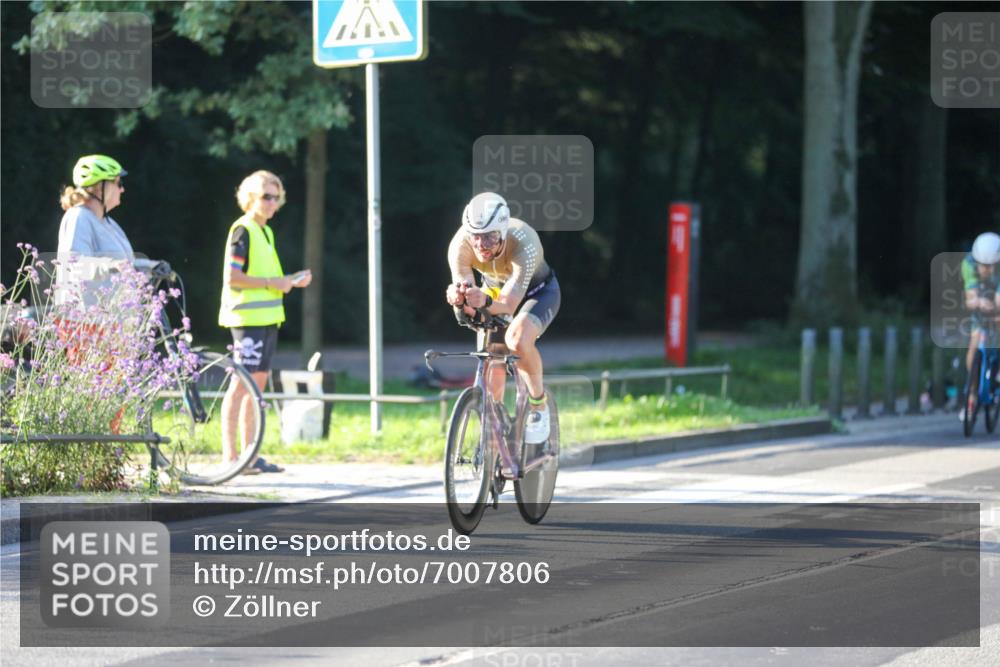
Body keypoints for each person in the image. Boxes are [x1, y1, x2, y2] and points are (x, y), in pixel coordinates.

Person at [445, 192, 561, 445]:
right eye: (475, 236)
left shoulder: (524, 241)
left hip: (537, 293)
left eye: (490, 237)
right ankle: (494, 428)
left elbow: (508, 304)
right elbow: (469, 302)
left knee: (517, 339)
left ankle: (538, 406)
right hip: (493, 291)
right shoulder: (459, 246)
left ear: (503, 232)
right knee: (491, 356)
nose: (481, 245)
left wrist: (484, 302)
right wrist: (460, 300)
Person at [219, 170, 312, 474]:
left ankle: (250, 455)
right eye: (266, 197)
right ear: (250, 198)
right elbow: (233, 277)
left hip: (267, 320)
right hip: (247, 320)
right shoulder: (242, 230)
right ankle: (230, 457)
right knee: (240, 386)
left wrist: (289, 280)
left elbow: (265, 278)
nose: (273, 202)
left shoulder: (265, 232)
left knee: (256, 388)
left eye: (277, 197)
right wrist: (275, 282)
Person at [58, 154, 133, 260]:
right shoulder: (78, 217)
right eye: (119, 183)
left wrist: (151, 266)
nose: (122, 189)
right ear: (101, 187)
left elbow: (130, 265)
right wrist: (111, 265)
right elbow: (74, 262)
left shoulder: (110, 223)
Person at [962, 231, 1000, 372]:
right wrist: (979, 302)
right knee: (975, 340)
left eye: (992, 265)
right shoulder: (968, 264)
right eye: (984, 265)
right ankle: (972, 384)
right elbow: (971, 300)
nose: (988, 270)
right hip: (981, 297)